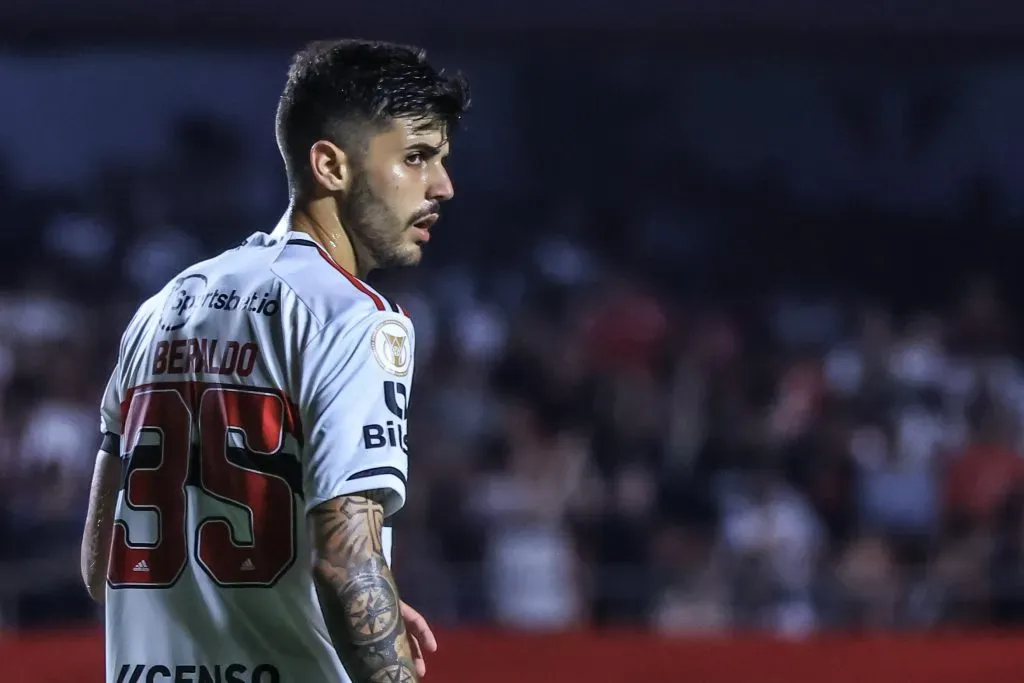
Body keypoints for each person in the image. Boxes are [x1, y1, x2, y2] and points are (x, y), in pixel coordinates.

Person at [80, 39, 470, 683]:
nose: (443, 186)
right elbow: (346, 564)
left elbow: (101, 567)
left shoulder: (162, 308)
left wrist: (299, 606)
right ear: (330, 165)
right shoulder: (354, 319)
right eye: (416, 157)